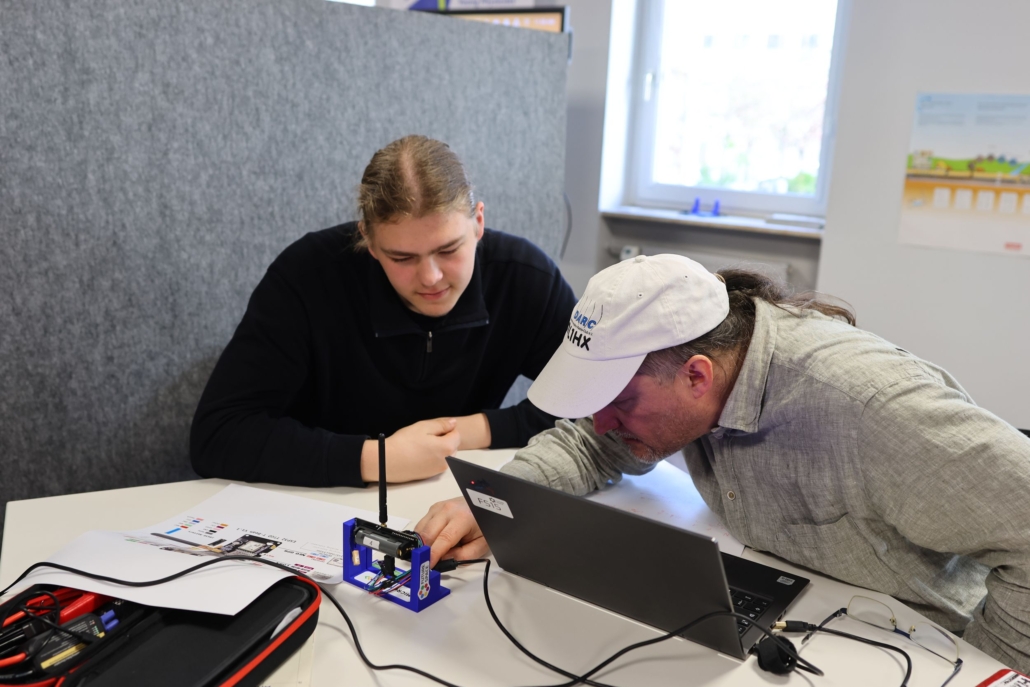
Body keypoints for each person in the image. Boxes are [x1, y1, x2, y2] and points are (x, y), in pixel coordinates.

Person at [415, 254, 1030, 673]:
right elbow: (590, 442)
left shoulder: (871, 408)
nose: (602, 421)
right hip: (813, 618)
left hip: (930, 644)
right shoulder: (696, 367)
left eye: (619, 403)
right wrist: (500, 498)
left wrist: (986, 669)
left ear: (697, 376)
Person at [190, 135, 576, 487]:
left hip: (450, 494)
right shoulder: (307, 276)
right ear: (369, 241)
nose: (431, 277)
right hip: (320, 501)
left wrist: (468, 431)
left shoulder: (525, 278)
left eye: (448, 249)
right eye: (402, 258)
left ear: (478, 222)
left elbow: (597, 410)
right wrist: (378, 459)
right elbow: (217, 435)